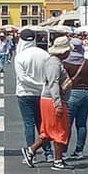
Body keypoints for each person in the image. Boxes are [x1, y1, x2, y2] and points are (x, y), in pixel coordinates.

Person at [21, 35, 73, 171]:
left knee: (49, 131)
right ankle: (57, 160)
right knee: (60, 129)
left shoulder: (54, 62)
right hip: (52, 100)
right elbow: (53, 84)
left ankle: (31, 151)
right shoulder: (54, 64)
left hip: (50, 99)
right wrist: (58, 103)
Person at [14, 28, 53, 163]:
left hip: (25, 93)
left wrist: (35, 84)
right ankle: (49, 153)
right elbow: (50, 75)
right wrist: (42, 85)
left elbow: (22, 78)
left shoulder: (20, 56)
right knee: (43, 124)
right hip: (43, 94)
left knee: (29, 124)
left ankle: (32, 154)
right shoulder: (45, 54)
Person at [62, 38, 88, 160]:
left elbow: (63, 80)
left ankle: (63, 151)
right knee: (82, 124)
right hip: (86, 95)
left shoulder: (66, 62)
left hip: (72, 94)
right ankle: (79, 151)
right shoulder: (87, 63)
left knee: (67, 124)